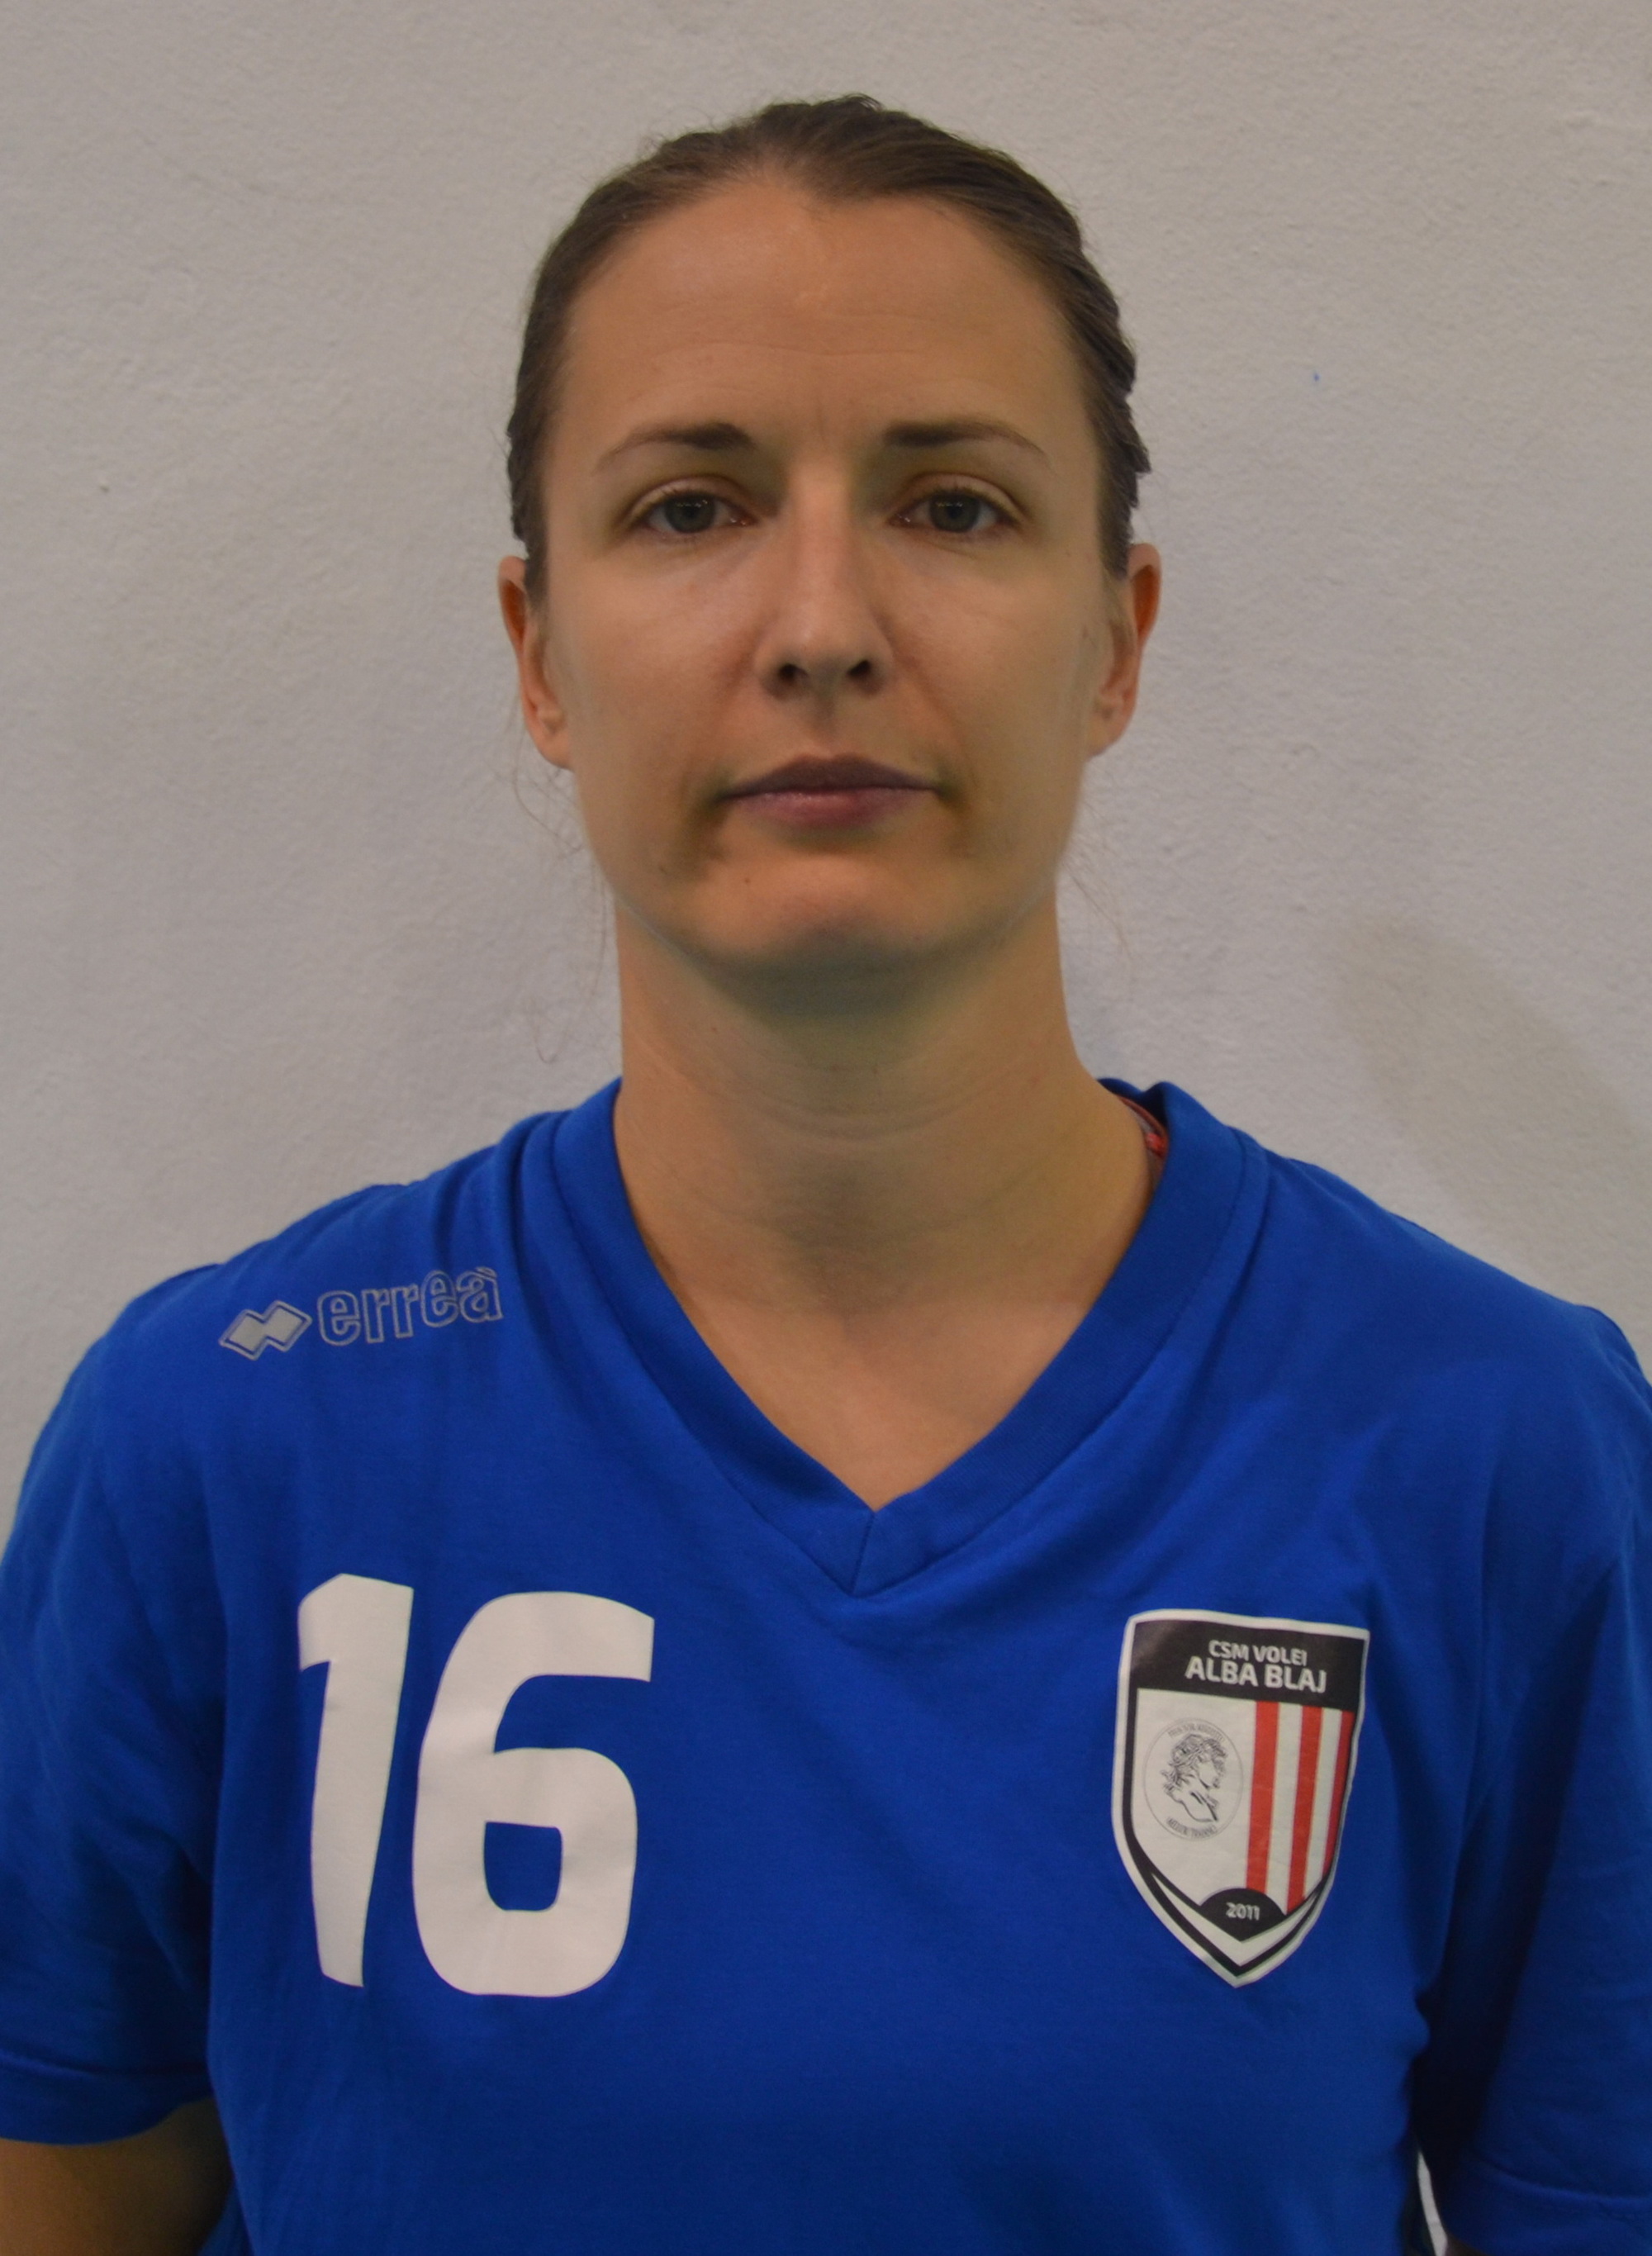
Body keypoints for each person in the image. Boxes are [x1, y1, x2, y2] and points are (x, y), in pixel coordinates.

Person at [0, 93, 1645, 2256]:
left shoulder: (1497, 1446)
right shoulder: (223, 1435)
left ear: (1117, 638)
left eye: (954, 504)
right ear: (539, 656)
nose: (821, 623)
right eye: (689, 507)